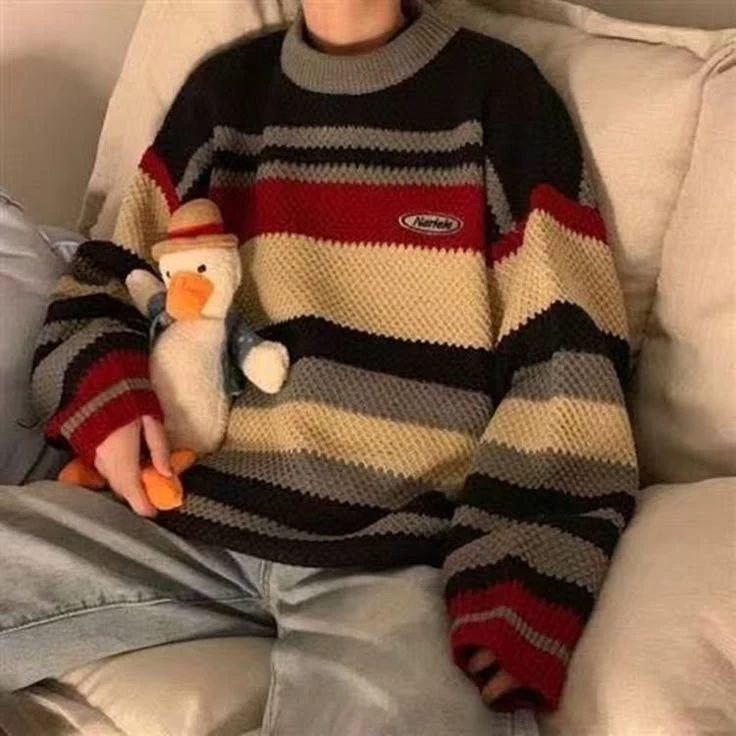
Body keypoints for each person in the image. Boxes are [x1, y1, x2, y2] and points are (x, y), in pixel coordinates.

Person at [0, 0, 638, 733]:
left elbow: (567, 360)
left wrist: (521, 579)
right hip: (181, 518)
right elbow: (110, 279)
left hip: (396, 557)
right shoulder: (222, 92)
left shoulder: (501, 96)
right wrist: (110, 407)